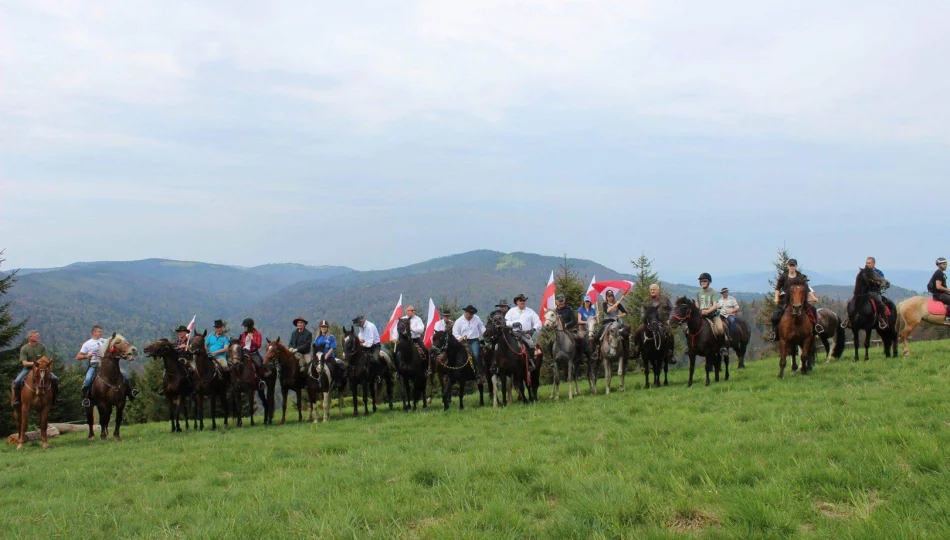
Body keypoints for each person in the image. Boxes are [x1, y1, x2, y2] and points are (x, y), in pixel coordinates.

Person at [769, 259, 819, 341]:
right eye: (790, 265)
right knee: (775, 316)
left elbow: (807, 288)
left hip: (799, 299)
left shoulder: (801, 276)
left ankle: (815, 329)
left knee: (813, 310)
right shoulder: (783, 276)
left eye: (793, 265)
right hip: (786, 299)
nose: (792, 267)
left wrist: (813, 297)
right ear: (788, 266)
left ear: (796, 266)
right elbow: (777, 288)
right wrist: (776, 298)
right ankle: (774, 332)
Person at [11, 330, 59, 407]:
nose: (38, 337)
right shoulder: (24, 348)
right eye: (36, 336)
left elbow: (44, 359)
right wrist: (36, 363)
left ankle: (55, 398)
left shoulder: (41, 347)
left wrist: (41, 364)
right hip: (28, 369)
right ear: (30, 337)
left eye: (38, 336)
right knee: (17, 381)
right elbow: (24, 363)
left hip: (41, 369)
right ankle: (17, 400)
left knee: (55, 379)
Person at [632, 284, 675, 364]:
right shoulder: (647, 300)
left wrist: (670, 319)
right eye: (651, 290)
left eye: (654, 289)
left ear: (658, 290)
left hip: (663, 321)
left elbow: (672, 308)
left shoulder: (665, 299)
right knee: (638, 330)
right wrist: (644, 318)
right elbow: (642, 311)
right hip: (649, 323)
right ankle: (636, 350)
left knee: (670, 334)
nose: (652, 291)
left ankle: (670, 353)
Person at [504, 294, 544, 362]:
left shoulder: (530, 311)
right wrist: (512, 324)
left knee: (531, 345)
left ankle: (531, 361)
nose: (523, 302)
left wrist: (533, 329)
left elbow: (538, 322)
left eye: (524, 300)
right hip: (512, 334)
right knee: (499, 345)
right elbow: (505, 321)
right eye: (521, 300)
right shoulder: (511, 311)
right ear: (517, 302)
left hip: (526, 334)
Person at [592, 290, 629, 359]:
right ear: (606, 297)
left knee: (625, 333)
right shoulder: (605, 304)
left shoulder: (618, 304)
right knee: (597, 336)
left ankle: (626, 349)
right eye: (609, 296)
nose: (610, 297)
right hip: (606, 322)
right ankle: (596, 351)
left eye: (611, 296)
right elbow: (607, 311)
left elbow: (625, 313)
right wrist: (614, 305)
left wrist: (618, 316)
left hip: (615, 322)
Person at [453, 305, 486, 382]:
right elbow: (455, 332)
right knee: (457, 356)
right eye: (470, 314)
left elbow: (482, 328)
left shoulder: (477, 318)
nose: (471, 316)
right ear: (466, 312)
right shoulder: (459, 321)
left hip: (474, 340)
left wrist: (485, 333)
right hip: (463, 342)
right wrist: (459, 338)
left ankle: (480, 373)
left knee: (476, 354)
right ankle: (454, 372)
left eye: (472, 314)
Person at [696, 273, 728, 345]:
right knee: (688, 328)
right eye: (701, 281)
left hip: (713, 315)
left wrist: (707, 311)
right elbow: (697, 303)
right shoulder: (698, 292)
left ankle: (723, 347)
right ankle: (690, 347)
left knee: (720, 329)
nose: (702, 283)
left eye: (704, 281)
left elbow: (714, 306)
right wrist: (698, 309)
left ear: (709, 282)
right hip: (701, 315)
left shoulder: (713, 292)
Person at [865, 257, 889, 328]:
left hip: (875, 292)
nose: (867, 264)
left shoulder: (879, 273)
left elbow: (883, 283)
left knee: (879, 302)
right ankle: (849, 318)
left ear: (873, 264)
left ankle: (880, 318)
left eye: (869, 263)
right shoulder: (863, 272)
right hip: (864, 292)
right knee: (852, 301)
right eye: (866, 263)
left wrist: (875, 283)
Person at [927, 257, 950, 323]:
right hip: (938, 294)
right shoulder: (939, 273)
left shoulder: (940, 273)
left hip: (941, 293)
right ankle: (948, 318)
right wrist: (948, 290)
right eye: (943, 264)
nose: (945, 265)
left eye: (946, 264)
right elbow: (938, 286)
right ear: (939, 265)